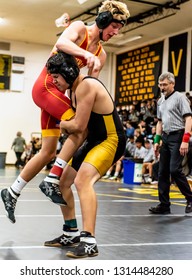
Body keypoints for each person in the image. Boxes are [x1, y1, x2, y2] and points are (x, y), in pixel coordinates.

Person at [0, 0, 130, 223]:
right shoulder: (80, 29)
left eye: (119, 29)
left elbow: (89, 87)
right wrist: (85, 55)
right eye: (115, 26)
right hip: (46, 87)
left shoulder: (101, 54)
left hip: (59, 95)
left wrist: (93, 70)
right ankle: (52, 179)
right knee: (80, 129)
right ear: (104, 20)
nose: (116, 32)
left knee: (48, 151)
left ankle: (12, 191)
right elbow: (61, 42)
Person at [43, 51, 126, 258]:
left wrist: (62, 124)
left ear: (69, 72)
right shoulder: (74, 90)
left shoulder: (86, 86)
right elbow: (81, 131)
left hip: (111, 139)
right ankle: (71, 233)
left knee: (82, 181)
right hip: (94, 140)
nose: (54, 81)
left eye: (56, 77)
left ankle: (89, 241)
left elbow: (78, 126)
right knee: (62, 183)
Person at [149, 72, 192, 214]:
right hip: (166, 138)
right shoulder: (160, 101)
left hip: (178, 135)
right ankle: (164, 205)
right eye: (160, 85)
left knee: (174, 170)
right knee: (162, 172)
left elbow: (189, 119)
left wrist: (185, 140)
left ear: (172, 84)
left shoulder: (180, 98)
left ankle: (190, 199)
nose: (162, 87)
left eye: (165, 85)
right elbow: (160, 122)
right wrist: (157, 140)